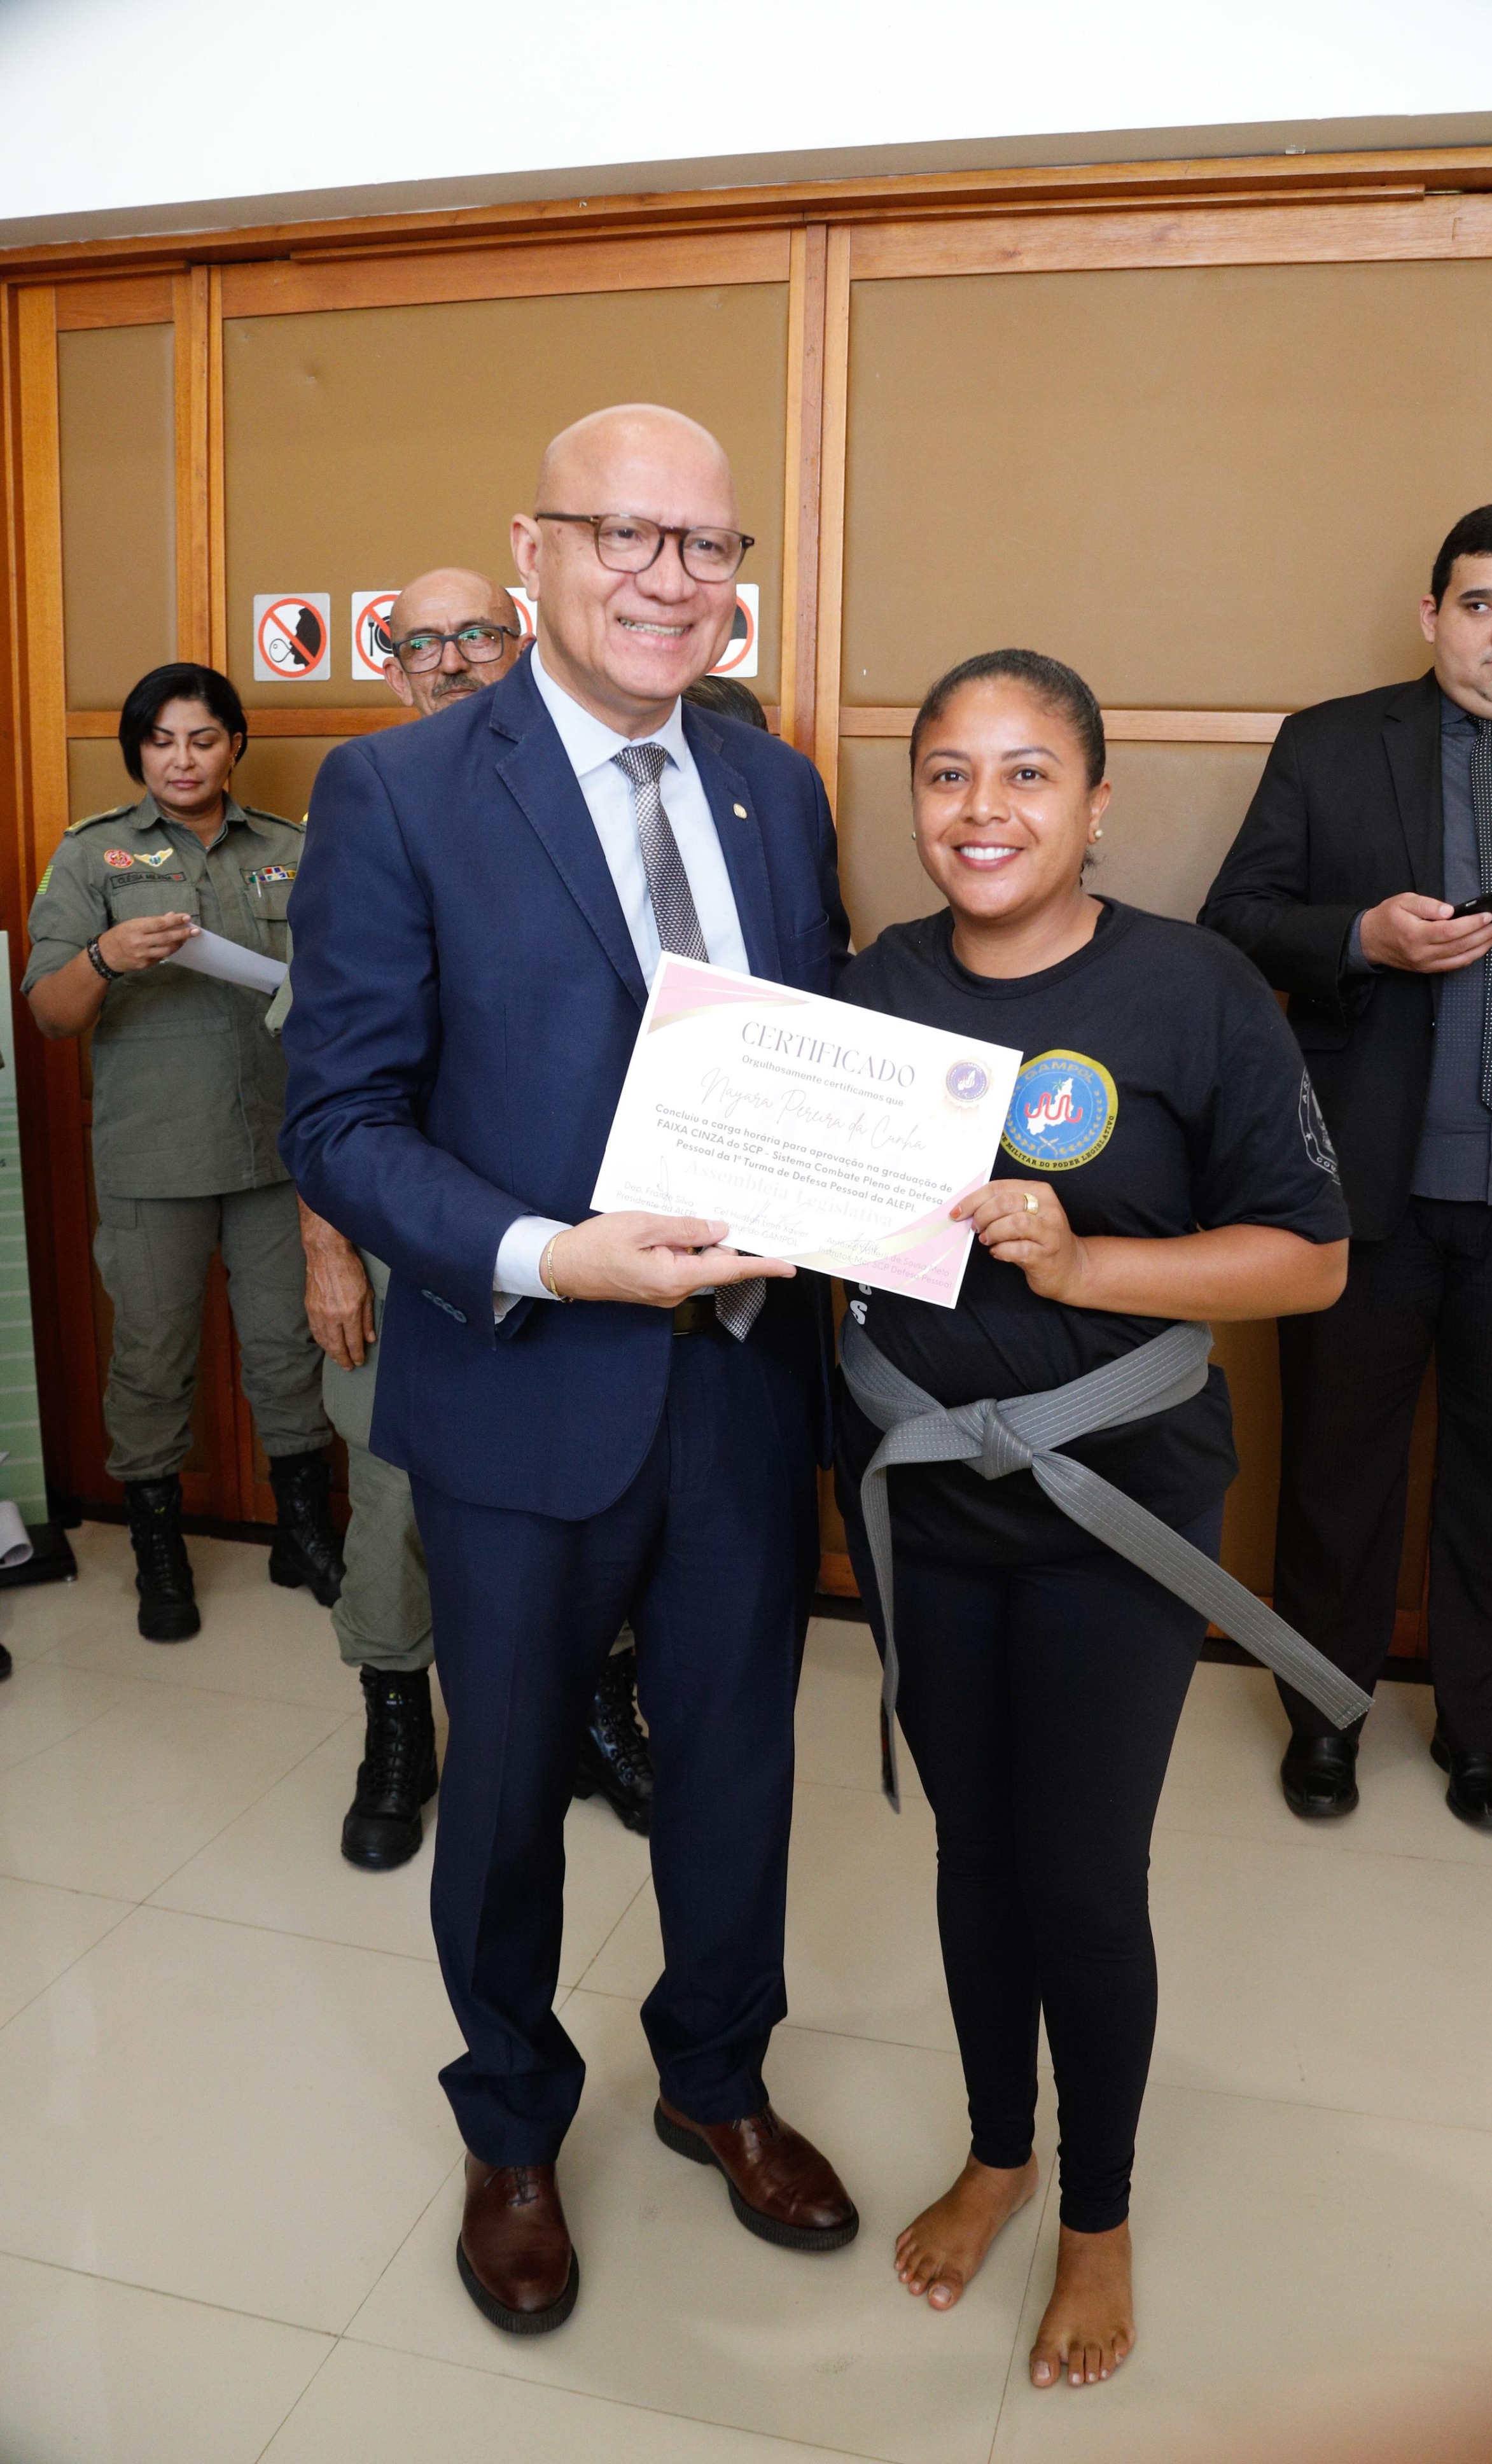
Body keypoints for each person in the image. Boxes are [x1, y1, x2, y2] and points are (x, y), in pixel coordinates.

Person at [281, 404, 855, 2335]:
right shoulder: (400, 790)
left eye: (707, 546)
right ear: (532, 548)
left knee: (735, 1769)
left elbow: (813, 1061)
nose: (669, 579)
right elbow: (341, 1122)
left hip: (744, 1382)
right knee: (511, 1787)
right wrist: (550, 1255)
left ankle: (715, 2080)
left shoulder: (775, 789)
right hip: (525, 1385)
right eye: (625, 534)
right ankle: (513, 2126)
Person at [833, 648, 1350, 2392]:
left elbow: (1307, 1258)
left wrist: (1085, 1262)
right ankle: (999, 2152)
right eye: (948, 775)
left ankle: (1098, 2211)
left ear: (1097, 803)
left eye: (1026, 774)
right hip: (921, 1494)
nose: (980, 811)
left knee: (1076, 1868)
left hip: (1113, 1502)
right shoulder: (872, 991)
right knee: (970, 1853)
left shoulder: (1192, 991)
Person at [1200, 503, 1492, 1831]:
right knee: (1337, 1474)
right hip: (1362, 1191)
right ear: (1431, 615)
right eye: (1480, 604)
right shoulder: (1331, 745)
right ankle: (1323, 1717)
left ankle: (1483, 1733)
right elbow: (1233, 923)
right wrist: (1361, 939)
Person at [291, 569, 653, 1867]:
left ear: (523, 643)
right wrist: (328, 1252)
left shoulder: (599, 802)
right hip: (409, 1256)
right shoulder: (375, 804)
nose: (450, 660)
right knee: (399, 1500)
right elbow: (324, 1085)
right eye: (421, 643)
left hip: (589, 1249)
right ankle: (397, 1720)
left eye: (476, 635)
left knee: (597, 1480)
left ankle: (597, 1708)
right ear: (395, 670)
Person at [24, 664, 342, 1641]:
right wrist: (105, 957)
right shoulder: (92, 854)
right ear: (138, 751)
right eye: (160, 741)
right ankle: (157, 1545)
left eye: (202, 739)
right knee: (152, 1356)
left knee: (290, 1350)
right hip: (153, 1158)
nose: (182, 760)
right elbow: (49, 1014)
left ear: (234, 744)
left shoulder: (294, 849)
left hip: (277, 1151)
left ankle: (302, 1530)